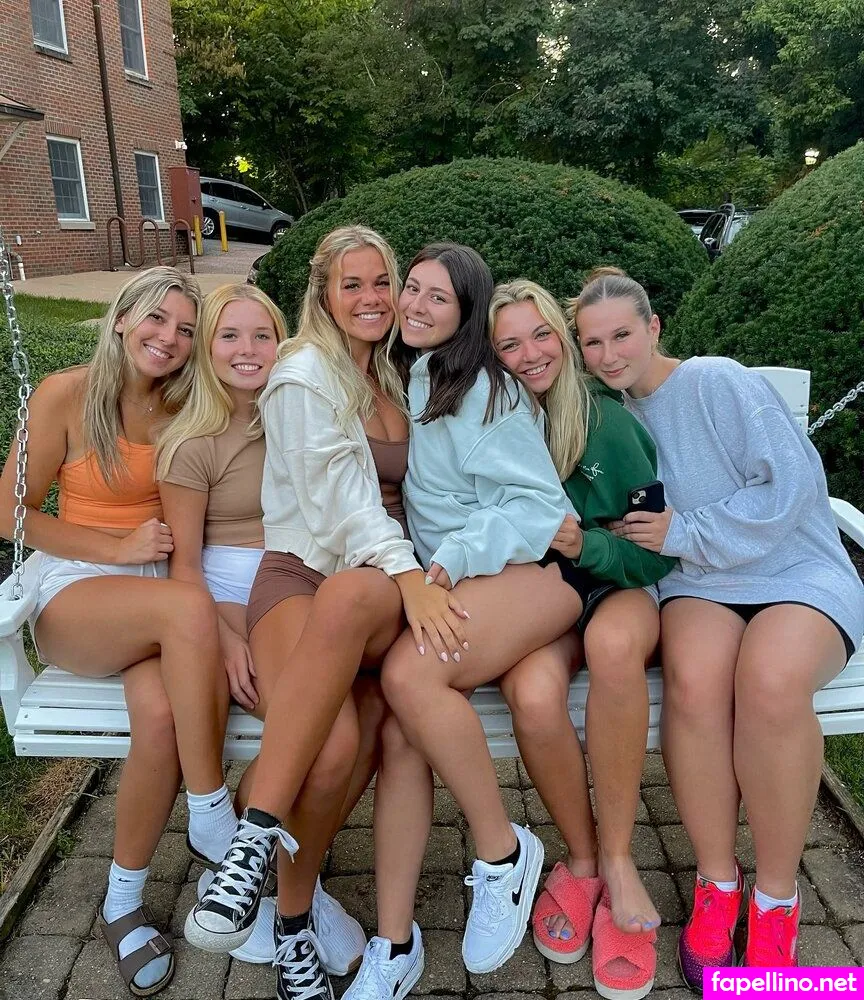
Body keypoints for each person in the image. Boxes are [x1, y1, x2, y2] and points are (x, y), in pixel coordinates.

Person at [184, 227, 468, 1000]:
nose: (372, 298)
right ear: (323, 293)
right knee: (337, 744)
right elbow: (340, 504)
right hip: (306, 572)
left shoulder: (406, 370)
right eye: (353, 284)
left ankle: (254, 842)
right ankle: (288, 920)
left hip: (382, 589)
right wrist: (407, 573)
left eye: (382, 282)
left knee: (357, 607)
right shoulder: (303, 371)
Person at [570, 266, 864, 977]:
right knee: (696, 683)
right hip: (699, 580)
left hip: (794, 566)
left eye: (622, 335)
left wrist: (684, 531)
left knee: (769, 683)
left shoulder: (715, 380)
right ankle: (716, 883)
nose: (609, 355)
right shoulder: (606, 417)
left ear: (653, 328)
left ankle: (776, 900)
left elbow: (793, 487)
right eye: (593, 343)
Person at [0, 267, 236, 997]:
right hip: (77, 587)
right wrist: (117, 546)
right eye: (156, 319)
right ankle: (213, 817)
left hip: (155, 598)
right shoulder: (66, 395)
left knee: (161, 720)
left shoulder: (186, 404)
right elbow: (9, 514)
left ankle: (121, 903)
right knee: (188, 611)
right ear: (124, 317)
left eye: (186, 330)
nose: (169, 338)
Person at [371, 242, 588, 984]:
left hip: (534, 573)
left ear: (465, 313)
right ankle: (392, 944)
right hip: (478, 580)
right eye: (412, 288)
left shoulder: (483, 390)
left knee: (409, 677)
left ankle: (503, 854)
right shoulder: (419, 373)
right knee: (402, 729)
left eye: (438, 297)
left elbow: (537, 507)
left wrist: (454, 557)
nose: (415, 304)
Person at [157, 282, 370, 975]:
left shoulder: (298, 408)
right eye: (229, 335)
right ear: (206, 347)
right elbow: (185, 568)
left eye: (261, 335)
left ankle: (286, 895)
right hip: (231, 604)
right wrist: (220, 636)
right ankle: (264, 880)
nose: (247, 350)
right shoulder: (192, 442)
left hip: (304, 589)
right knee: (331, 742)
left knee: (360, 729)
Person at [487, 279, 675, 998]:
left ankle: (622, 860)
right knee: (534, 694)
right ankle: (584, 858)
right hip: (548, 599)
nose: (530, 354)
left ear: (563, 340)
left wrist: (586, 545)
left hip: (619, 584)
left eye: (541, 335)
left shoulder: (606, 423)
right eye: (509, 344)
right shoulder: (496, 424)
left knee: (615, 648)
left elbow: (652, 556)